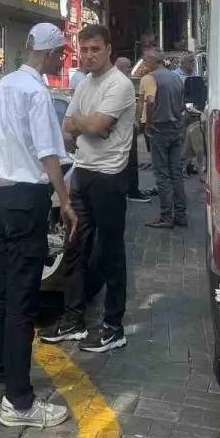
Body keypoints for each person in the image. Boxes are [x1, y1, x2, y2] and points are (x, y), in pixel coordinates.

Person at [0, 23, 77, 429]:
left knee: (0, 293)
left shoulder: (4, 85)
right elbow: (49, 153)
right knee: (21, 301)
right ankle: (19, 403)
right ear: (53, 54)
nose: (61, 60)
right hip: (25, 201)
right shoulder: (36, 92)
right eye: (62, 55)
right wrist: (65, 201)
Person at [40, 24, 136, 354]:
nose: (90, 55)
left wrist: (87, 123)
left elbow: (91, 125)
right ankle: (73, 320)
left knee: (110, 253)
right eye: (86, 50)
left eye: (96, 48)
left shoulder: (120, 85)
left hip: (109, 178)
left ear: (109, 48)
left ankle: (113, 326)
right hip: (82, 173)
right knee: (74, 248)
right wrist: (88, 124)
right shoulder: (84, 83)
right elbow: (67, 127)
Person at [139, 50, 188, 229]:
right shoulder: (175, 77)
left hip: (160, 128)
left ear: (154, 60)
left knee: (162, 174)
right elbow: (182, 104)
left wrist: (148, 124)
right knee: (176, 173)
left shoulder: (151, 78)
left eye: (146, 59)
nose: (144, 62)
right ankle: (181, 215)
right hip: (176, 127)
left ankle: (167, 216)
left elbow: (150, 101)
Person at [115, 57, 152, 204]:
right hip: (125, 128)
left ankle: (128, 190)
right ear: (121, 67)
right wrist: (133, 122)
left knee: (126, 161)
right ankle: (131, 191)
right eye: (128, 67)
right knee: (130, 161)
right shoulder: (121, 84)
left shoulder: (118, 83)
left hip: (124, 128)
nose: (130, 71)